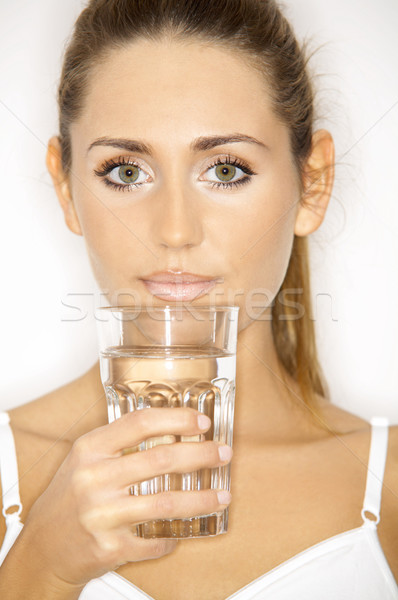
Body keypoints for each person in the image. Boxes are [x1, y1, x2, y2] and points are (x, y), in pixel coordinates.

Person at [0, 0, 397, 598]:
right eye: (126, 172)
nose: (176, 230)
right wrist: (42, 567)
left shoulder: (389, 488)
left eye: (227, 170)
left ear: (312, 182)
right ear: (66, 188)